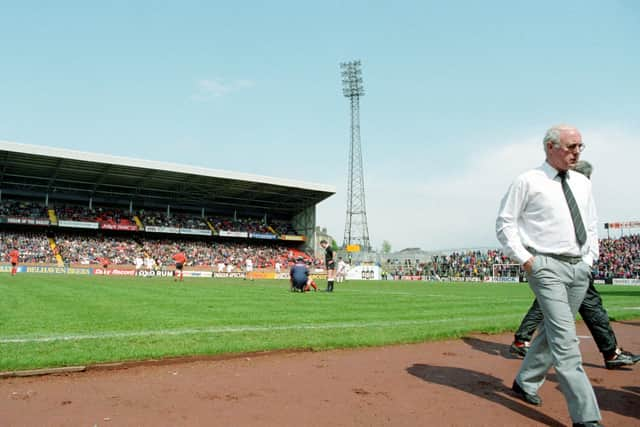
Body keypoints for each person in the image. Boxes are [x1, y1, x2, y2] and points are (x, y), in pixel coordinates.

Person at [496, 125, 602, 427]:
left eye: (581, 146)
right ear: (550, 147)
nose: (577, 152)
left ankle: (526, 381)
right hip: (546, 267)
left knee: (552, 331)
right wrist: (528, 260)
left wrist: (589, 260)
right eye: (571, 147)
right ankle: (587, 417)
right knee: (566, 341)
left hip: (578, 267)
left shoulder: (582, 183)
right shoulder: (528, 181)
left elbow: (591, 224)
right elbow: (505, 223)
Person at [510, 160, 639, 370]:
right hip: (569, 263)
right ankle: (610, 352)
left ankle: (522, 341)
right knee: (590, 307)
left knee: (550, 305)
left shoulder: (567, 193)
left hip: (570, 264)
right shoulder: (569, 195)